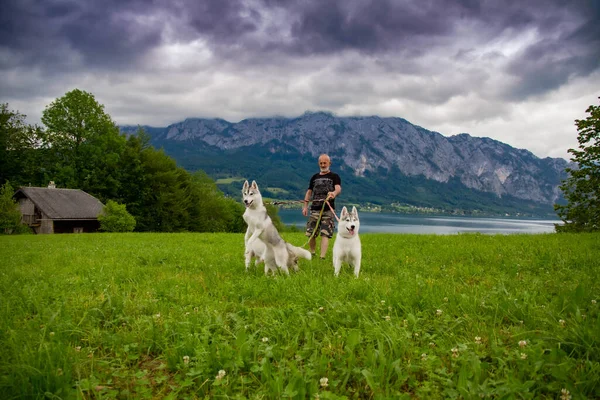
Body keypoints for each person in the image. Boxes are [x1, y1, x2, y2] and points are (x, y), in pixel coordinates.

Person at [302, 154, 342, 260]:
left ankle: (322, 257)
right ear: (318, 164)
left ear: (329, 163)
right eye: (321, 163)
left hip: (328, 210)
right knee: (311, 233)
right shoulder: (314, 177)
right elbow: (309, 192)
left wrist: (333, 193)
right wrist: (305, 206)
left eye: (325, 163)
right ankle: (313, 253)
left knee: (325, 233)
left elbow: (338, 189)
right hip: (315, 209)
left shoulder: (334, 176)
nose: (323, 165)